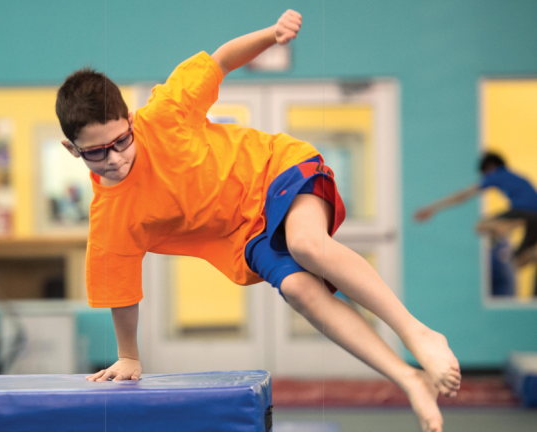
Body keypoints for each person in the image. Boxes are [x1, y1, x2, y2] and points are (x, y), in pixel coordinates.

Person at [56, 10, 459, 432]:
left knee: (306, 244)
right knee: (301, 290)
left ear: (132, 122)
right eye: (97, 152)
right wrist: (129, 356)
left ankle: (419, 335)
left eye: (122, 141)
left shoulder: (166, 113)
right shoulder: (110, 216)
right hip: (246, 233)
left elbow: (222, 59)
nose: (116, 157)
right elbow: (123, 294)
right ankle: (409, 378)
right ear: (72, 149)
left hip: (275, 169)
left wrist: (272, 34)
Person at [415, 152, 537, 295]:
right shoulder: (517, 177)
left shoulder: (495, 174)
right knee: (517, 261)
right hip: (533, 217)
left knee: (480, 225)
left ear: (490, 167)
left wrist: (432, 208)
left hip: (523, 213)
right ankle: (531, 253)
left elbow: (462, 196)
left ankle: (502, 229)